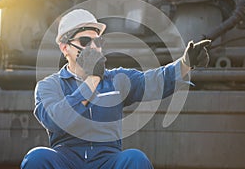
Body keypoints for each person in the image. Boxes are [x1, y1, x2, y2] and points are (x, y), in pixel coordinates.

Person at [21, 9, 210, 169]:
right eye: (85, 42)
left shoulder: (117, 80)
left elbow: (153, 81)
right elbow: (56, 120)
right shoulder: (49, 86)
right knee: (37, 157)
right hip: (66, 159)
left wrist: (186, 64)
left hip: (108, 160)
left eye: (98, 42)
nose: (93, 47)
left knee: (135, 159)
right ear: (64, 48)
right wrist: (93, 80)